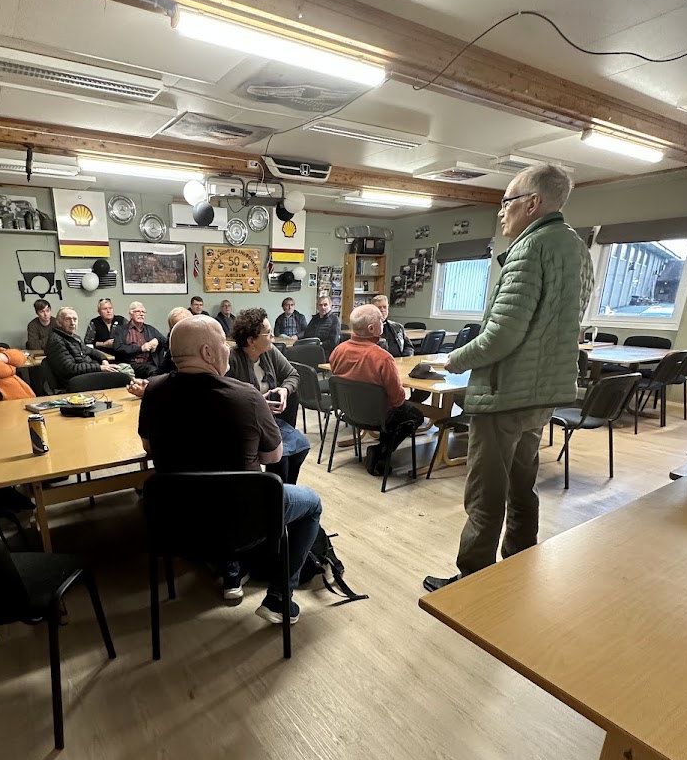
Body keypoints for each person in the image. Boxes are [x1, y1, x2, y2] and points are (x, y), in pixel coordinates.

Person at [423, 164, 595, 593]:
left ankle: (473, 581)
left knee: (486, 491)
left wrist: (455, 360)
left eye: (506, 201)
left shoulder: (528, 249)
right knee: (522, 485)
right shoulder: (577, 247)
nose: (501, 211)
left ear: (532, 203)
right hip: (542, 394)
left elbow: (502, 334)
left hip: (505, 394)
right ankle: (518, 566)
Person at [137, 316, 322, 623]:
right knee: (312, 502)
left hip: (177, 526)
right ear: (208, 352)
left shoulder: (153, 391)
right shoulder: (247, 396)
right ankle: (279, 597)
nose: (228, 348)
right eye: (224, 342)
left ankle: (232, 569)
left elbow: (148, 447)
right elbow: (274, 455)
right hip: (245, 525)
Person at [329, 304, 424, 476]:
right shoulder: (383, 358)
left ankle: (381, 452)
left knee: (394, 411)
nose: (383, 322)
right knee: (415, 415)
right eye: (380, 319)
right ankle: (381, 451)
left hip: (349, 413)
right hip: (379, 417)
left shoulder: (338, 351)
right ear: (372, 328)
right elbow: (397, 399)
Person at [227, 308, 309, 486]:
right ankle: (276, 493)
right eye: (268, 333)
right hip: (244, 425)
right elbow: (226, 399)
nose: (272, 336)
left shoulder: (269, 352)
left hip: (268, 420)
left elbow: (293, 375)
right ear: (251, 341)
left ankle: (285, 491)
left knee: (301, 447)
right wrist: (256, 403)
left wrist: (285, 389)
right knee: (282, 457)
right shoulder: (232, 360)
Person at [46, 307, 131, 389]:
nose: (72, 323)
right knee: (123, 377)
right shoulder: (56, 340)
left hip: (88, 372)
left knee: (125, 368)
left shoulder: (74, 337)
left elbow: (90, 351)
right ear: (59, 322)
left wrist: (104, 360)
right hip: (76, 379)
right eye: (68, 319)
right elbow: (70, 369)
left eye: (75, 319)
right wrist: (100, 368)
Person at [111, 302, 165, 378]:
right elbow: (118, 348)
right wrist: (141, 348)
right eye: (138, 311)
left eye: (143, 312)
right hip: (130, 364)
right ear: (131, 314)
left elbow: (165, 342)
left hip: (149, 363)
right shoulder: (121, 330)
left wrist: (157, 340)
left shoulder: (150, 329)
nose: (141, 314)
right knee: (153, 371)